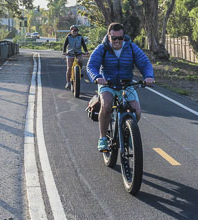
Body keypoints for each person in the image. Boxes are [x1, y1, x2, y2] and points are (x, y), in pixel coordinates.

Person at [87, 22, 155, 152]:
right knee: (106, 105)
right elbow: (91, 65)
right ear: (108, 37)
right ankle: (102, 138)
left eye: (120, 38)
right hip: (108, 84)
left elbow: (145, 63)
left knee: (137, 111)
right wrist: (96, 77)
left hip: (127, 84)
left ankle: (129, 133)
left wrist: (148, 76)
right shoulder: (102, 48)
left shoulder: (131, 48)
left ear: (124, 37)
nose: (117, 41)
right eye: (114, 38)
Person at [63, 25, 89, 89]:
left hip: (78, 53)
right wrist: (64, 51)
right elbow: (65, 45)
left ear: (78, 31)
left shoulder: (80, 37)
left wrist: (86, 51)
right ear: (71, 31)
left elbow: (83, 45)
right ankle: (68, 82)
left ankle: (79, 71)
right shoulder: (68, 37)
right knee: (69, 68)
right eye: (73, 30)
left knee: (80, 60)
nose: (74, 32)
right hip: (70, 53)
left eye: (76, 31)